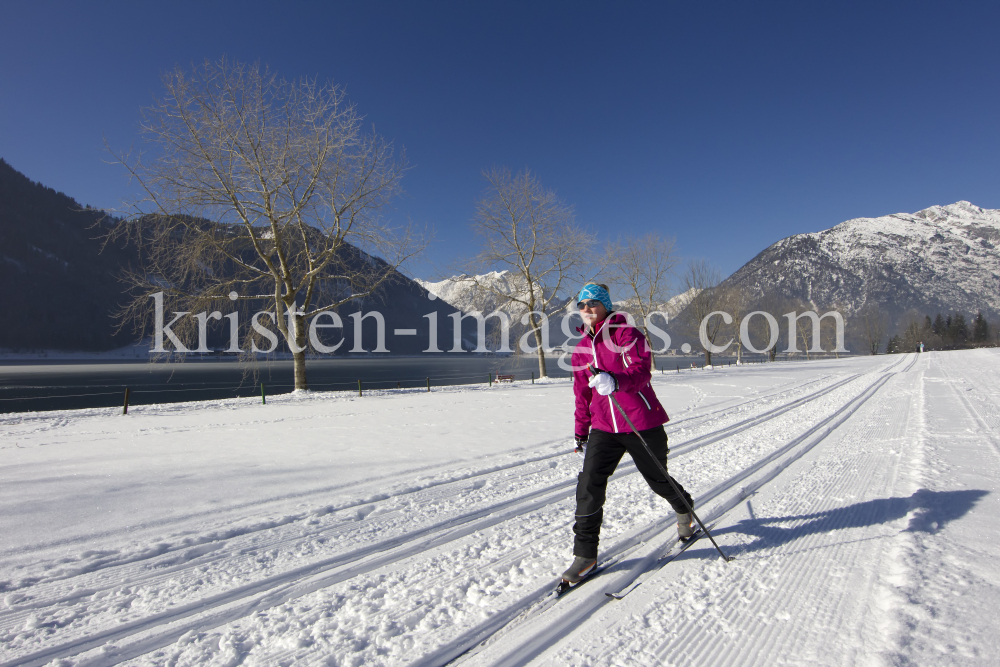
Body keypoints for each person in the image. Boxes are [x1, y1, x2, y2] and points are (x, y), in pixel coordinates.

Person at [562, 283, 694, 585]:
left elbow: (641, 372)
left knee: (658, 480)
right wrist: (581, 430)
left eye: (593, 303)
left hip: (640, 422)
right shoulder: (581, 348)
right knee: (589, 484)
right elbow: (581, 393)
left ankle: (684, 509)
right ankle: (585, 555)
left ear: (606, 306)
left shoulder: (628, 335)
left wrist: (615, 381)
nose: (587, 310)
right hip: (604, 428)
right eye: (582, 305)